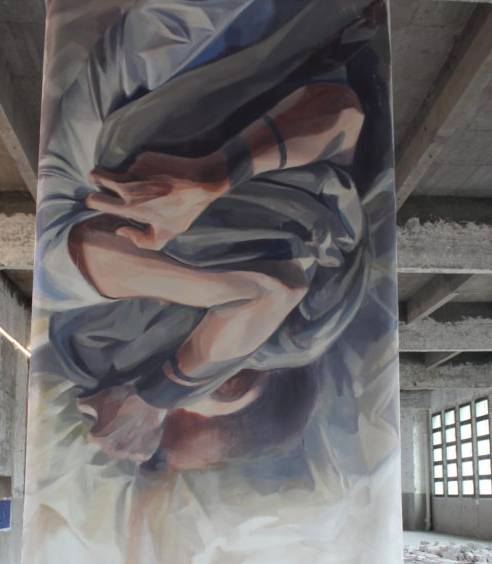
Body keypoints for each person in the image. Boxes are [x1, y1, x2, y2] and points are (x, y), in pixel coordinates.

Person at [35, 0, 383, 468]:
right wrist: (155, 396)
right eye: (221, 377)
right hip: (272, 31)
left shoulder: (75, 290)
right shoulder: (305, 320)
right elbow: (342, 117)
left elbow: (261, 295)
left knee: (124, 156)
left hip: (193, 39)